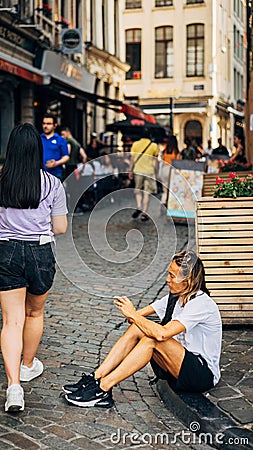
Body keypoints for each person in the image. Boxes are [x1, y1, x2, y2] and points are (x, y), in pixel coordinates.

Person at [62, 250, 222, 408]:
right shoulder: (176, 297)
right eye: (168, 274)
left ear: (188, 281)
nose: (167, 279)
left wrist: (133, 315)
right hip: (177, 366)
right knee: (138, 328)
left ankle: (103, 388)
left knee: (152, 340)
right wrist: (130, 313)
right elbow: (135, 318)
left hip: (201, 375)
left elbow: (162, 334)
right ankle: (96, 377)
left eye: (172, 276)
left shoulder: (200, 304)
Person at [0, 123, 68, 412]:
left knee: (11, 320)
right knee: (34, 312)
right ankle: (28, 365)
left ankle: (14, 386)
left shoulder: (1, 181)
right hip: (40, 253)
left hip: (6, 252)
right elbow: (61, 227)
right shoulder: (53, 184)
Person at [130, 130, 159, 222]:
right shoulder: (154, 146)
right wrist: (157, 172)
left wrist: (130, 170)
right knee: (147, 192)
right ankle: (144, 213)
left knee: (138, 190)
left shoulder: (135, 144)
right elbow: (155, 161)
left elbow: (132, 159)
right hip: (149, 171)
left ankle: (139, 206)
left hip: (138, 170)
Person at [41, 114, 69, 180]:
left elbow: (66, 156)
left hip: (56, 173)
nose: (45, 126)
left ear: (55, 125)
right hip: (40, 173)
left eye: (48, 124)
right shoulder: (38, 138)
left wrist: (56, 163)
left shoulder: (60, 139)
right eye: (44, 123)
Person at [159, 135, 180, 206]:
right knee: (171, 189)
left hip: (164, 170)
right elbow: (178, 162)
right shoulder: (176, 151)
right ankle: (170, 204)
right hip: (171, 171)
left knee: (165, 189)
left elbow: (161, 160)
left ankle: (163, 202)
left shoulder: (164, 151)